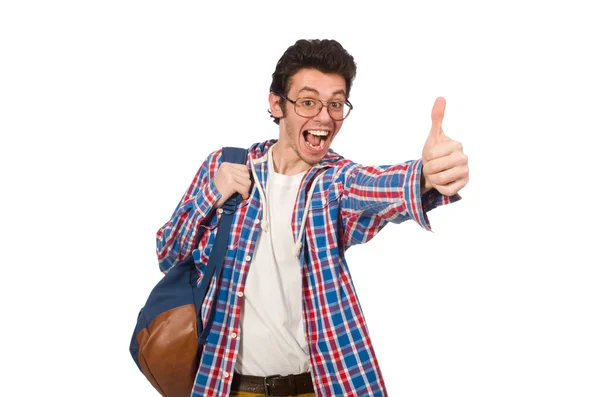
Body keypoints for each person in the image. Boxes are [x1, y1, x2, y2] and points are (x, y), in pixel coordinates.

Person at [156, 38, 469, 397]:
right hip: (228, 385)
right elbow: (168, 254)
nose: (324, 117)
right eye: (307, 102)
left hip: (316, 387)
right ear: (277, 104)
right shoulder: (225, 167)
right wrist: (211, 194)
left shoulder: (335, 182)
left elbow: (378, 186)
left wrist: (430, 175)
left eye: (335, 104)